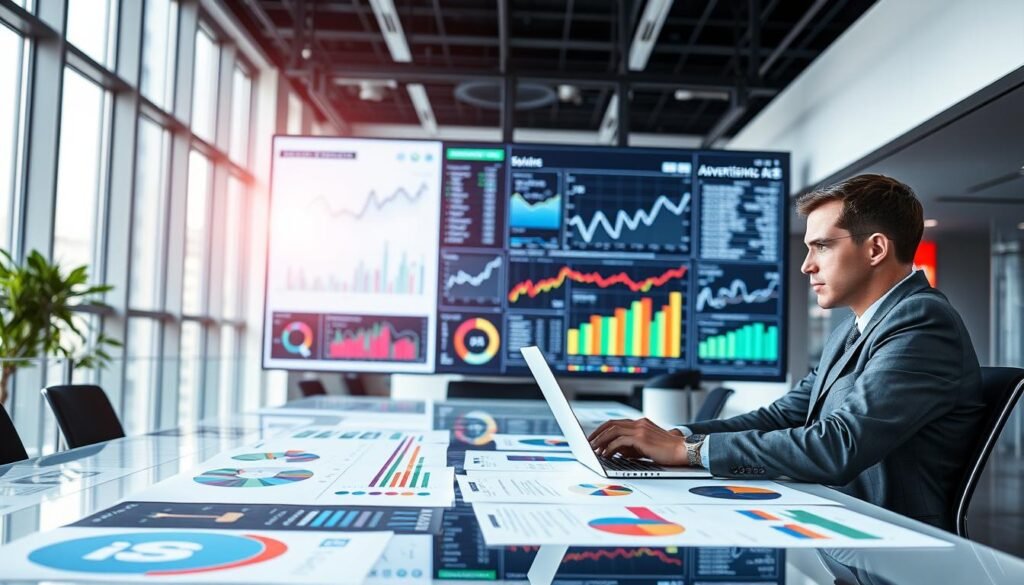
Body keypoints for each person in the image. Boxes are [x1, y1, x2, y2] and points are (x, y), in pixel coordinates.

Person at [588, 174, 986, 530]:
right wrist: (678, 436)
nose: (806, 266)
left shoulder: (922, 321)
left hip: (890, 542)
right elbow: (784, 416)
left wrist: (686, 452)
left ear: (876, 249)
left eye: (822, 246)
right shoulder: (853, 327)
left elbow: (839, 445)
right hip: (836, 519)